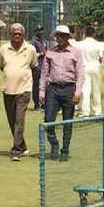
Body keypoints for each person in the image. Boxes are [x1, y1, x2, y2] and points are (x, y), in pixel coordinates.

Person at [39, 25, 83, 162]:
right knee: (48, 120)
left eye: (63, 35)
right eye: (58, 35)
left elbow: (80, 73)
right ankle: (54, 144)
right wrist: (41, 91)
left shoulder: (76, 52)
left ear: (68, 37)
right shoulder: (51, 52)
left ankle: (65, 149)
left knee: (67, 122)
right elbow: (44, 73)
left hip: (69, 88)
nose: (60, 38)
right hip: (53, 89)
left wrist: (78, 91)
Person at [0, 23, 37, 162]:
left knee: (19, 120)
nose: (17, 36)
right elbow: (2, 66)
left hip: (24, 90)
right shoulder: (3, 49)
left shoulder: (30, 49)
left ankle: (16, 151)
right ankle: (22, 145)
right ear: (11, 34)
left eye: (19, 34)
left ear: (23, 35)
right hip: (8, 89)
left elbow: (34, 66)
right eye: (14, 33)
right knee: (12, 120)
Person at [77, 26, 104, 117]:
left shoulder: (80, 44)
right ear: (93, 34)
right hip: (95, 66)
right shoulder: (98, 44)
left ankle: (85, 111)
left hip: (84, 67)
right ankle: (97, 111)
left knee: (85, 90)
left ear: (85, 33)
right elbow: (101, 58)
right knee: (96, 90)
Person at [30, 26, 46, 111]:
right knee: (36, 85)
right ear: (35, 31)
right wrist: (40, 54)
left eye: (42, 30)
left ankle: (44, 103)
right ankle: (36, 104)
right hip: (37, 67)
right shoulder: (33, 42)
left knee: (44, 85)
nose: (41, 32)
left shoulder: (43, 40)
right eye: (39, 30)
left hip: (44, 66)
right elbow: (32, 54)